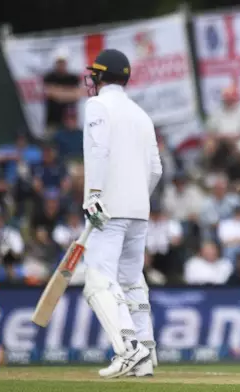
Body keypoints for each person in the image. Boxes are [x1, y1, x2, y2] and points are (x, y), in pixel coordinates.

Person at [81, 49, 162, 378]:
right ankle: (146, 354)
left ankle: (128, 351)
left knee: (98, 282)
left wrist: (94, 196)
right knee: (130, 282)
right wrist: (139, 198)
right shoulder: (141, 114)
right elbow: (156, 169)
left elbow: (99, 150)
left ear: (100, 75)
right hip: (139, 209)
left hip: (108, 208)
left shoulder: (97, 105)